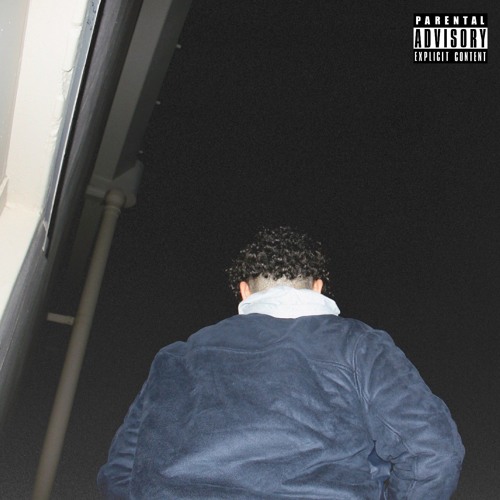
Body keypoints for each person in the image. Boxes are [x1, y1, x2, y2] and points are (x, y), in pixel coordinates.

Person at [98, 226, 464, 499]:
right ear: (317, 287)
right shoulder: (359, 345)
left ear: (244, 291)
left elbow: (121, 470)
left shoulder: (176, 356)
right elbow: (433, 452)